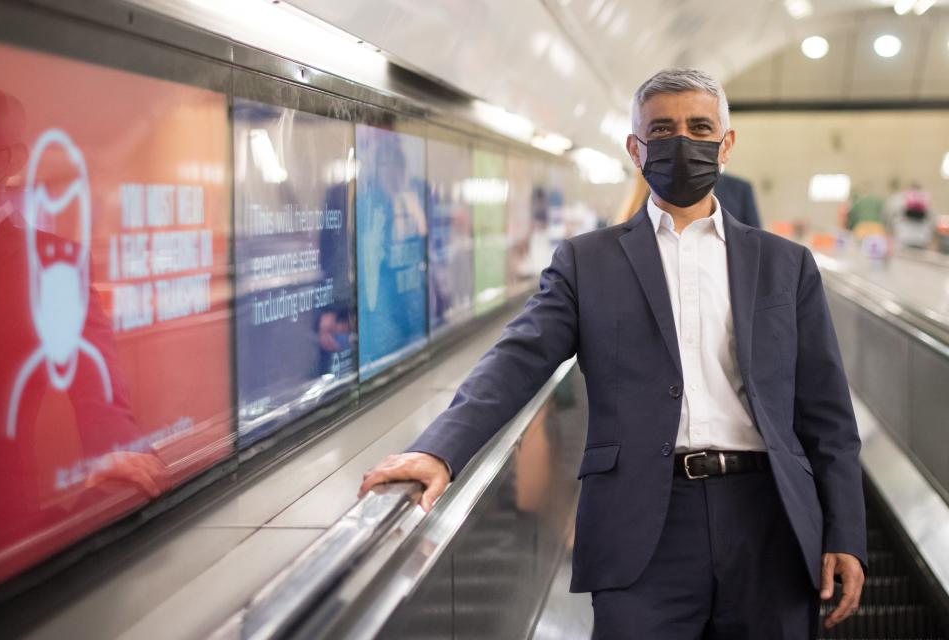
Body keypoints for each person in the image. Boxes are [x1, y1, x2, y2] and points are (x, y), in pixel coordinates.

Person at [358, 68, 866, 639]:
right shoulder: (587, 262)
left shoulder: (785, 264)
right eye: (664, 129)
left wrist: (846, 531)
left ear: (726, 144)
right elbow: (516, 360)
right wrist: (441, 451)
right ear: (635, 147)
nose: (683, 142)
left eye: (700, 127)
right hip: (642, 527)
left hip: (768, 516)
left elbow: (827, 412)